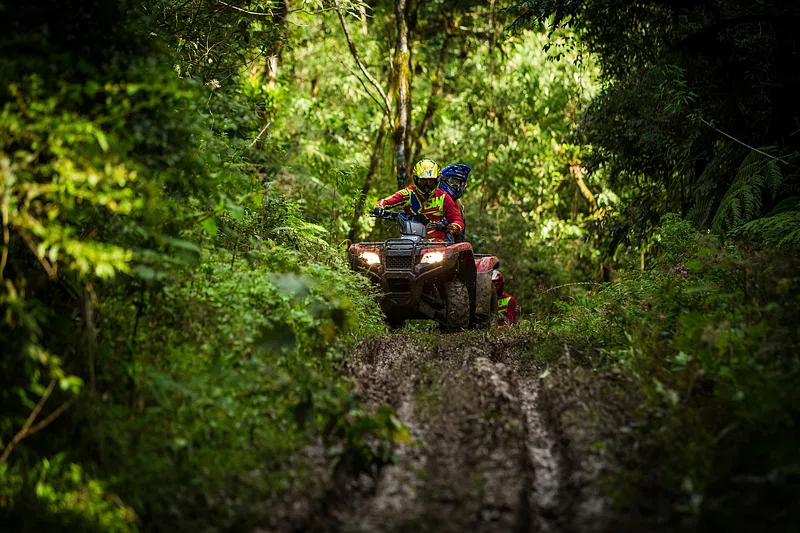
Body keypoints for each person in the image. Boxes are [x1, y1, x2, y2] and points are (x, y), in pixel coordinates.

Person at [373, 158, 464, 242]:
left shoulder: (444, 197)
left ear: (437, 180)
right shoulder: (408, 193)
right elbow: (385, 201)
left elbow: (459, 222)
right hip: (410, 240)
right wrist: (379, 208)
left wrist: (447, 228)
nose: (427, 186)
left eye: (430, 181)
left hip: (436, 243)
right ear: (416, 180)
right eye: (423, 181)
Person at [439, 164, 471, 243]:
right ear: (444, 180)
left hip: (444, 246)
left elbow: (460, 236)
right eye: (452, 182)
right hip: (422, 241)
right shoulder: (432, 196)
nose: (456, 186)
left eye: (459, 183)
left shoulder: (458, 204)